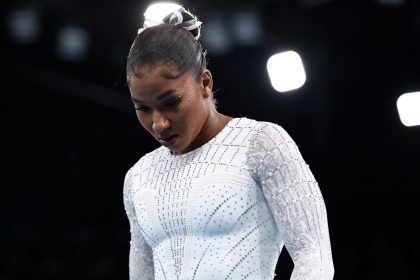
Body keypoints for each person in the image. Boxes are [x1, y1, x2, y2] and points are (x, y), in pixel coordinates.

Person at [123, 6, 334, 280]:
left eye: (171, 103)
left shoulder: (261, 144)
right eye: (143, 108)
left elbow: (313, 255)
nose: (159, 123)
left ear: (205, 83)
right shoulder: (138, 177)